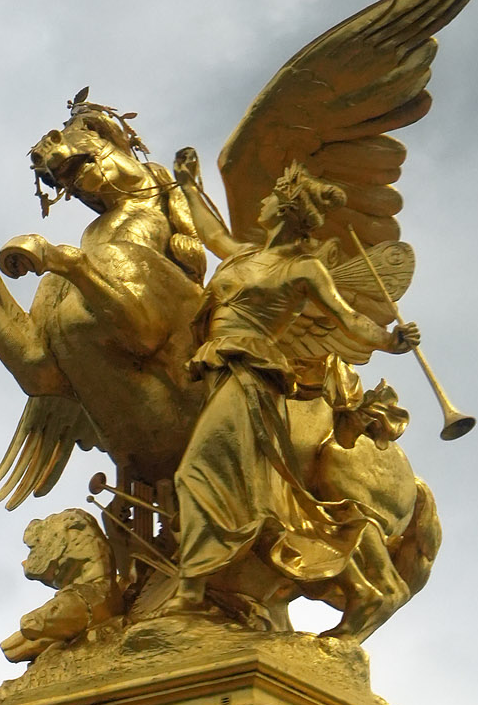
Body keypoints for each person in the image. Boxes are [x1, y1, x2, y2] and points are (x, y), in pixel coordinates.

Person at [165, 161, 418, 629]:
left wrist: (389, 340)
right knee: (245, 489)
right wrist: (187, 185)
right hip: (220, 369)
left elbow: (347, 318)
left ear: (285, 208)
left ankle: (190, 590)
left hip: (250, 377)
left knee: (195, 471)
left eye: (267, 197)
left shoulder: (303, 269)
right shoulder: (241, 255)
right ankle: (199, 583)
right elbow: (211, 231)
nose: (258, 202)